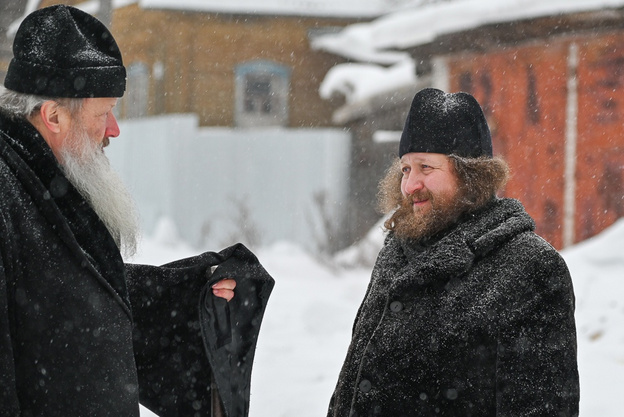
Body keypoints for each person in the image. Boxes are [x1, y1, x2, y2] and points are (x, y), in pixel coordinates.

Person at [0, 5, 274, 417]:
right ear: (53, 116)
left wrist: (190, 292)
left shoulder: (39, 178)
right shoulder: (7, 192)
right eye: (102, 112)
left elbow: (61, 300)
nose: (114, 129)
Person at [327, 88, 579, 417]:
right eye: (405, 169)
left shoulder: (529, 267)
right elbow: (353, 383)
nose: (409, 185)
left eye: (426, 168)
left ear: (471, 175)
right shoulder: (397, 251)